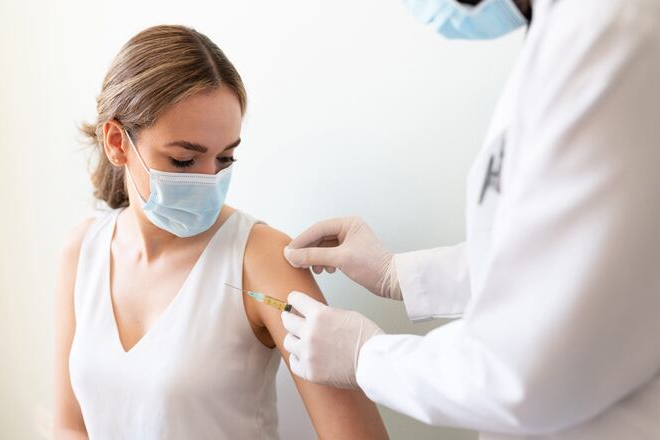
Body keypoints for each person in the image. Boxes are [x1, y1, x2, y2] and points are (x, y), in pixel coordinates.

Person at [280, 0, 660, 438]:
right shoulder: (569, 31)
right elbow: (564, 254)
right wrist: (395, 273)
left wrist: (368, 357)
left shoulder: (610, 33)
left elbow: (527, 373)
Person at [52, 25, 388, 439]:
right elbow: (70, 425)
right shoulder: (82, 251)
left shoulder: (261, 260)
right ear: (117, 142)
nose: (209, 180)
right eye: (183, 160)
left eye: (225, 159)